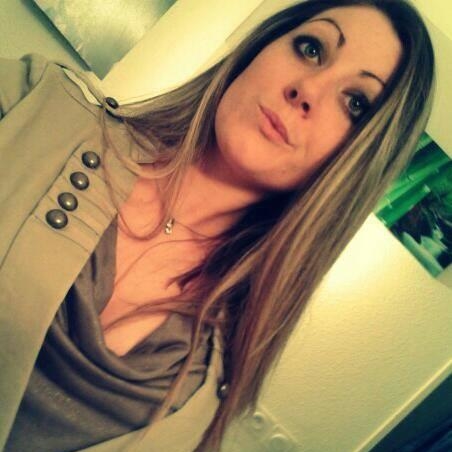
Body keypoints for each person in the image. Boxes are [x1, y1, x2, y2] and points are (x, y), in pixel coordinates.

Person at [0, 0, 435, 451]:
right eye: (311, 49)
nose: (308, 89)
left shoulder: (218, 377)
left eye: (356, 104)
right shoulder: (32, 105)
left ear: (356, 163)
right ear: (259, 49)